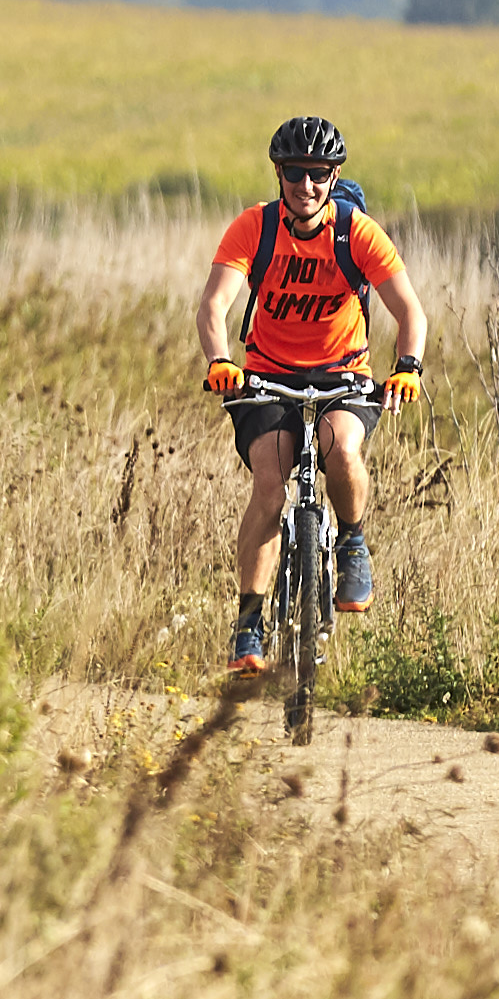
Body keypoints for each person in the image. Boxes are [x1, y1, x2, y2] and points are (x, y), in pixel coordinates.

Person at [195, 114, 424, 678]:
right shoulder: (255, 227)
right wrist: (221, 361)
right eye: (295, 172)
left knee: (342, 449)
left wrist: (408, 367)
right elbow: (213, 304)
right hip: (267, 377)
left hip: (343, 373)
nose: (307, 185)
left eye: (318, 174)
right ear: (279, 173)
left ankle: (351, 541)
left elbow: (409, 310)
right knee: (270, 487)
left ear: (334, 174)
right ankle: (249, 619)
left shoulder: (356, 232)